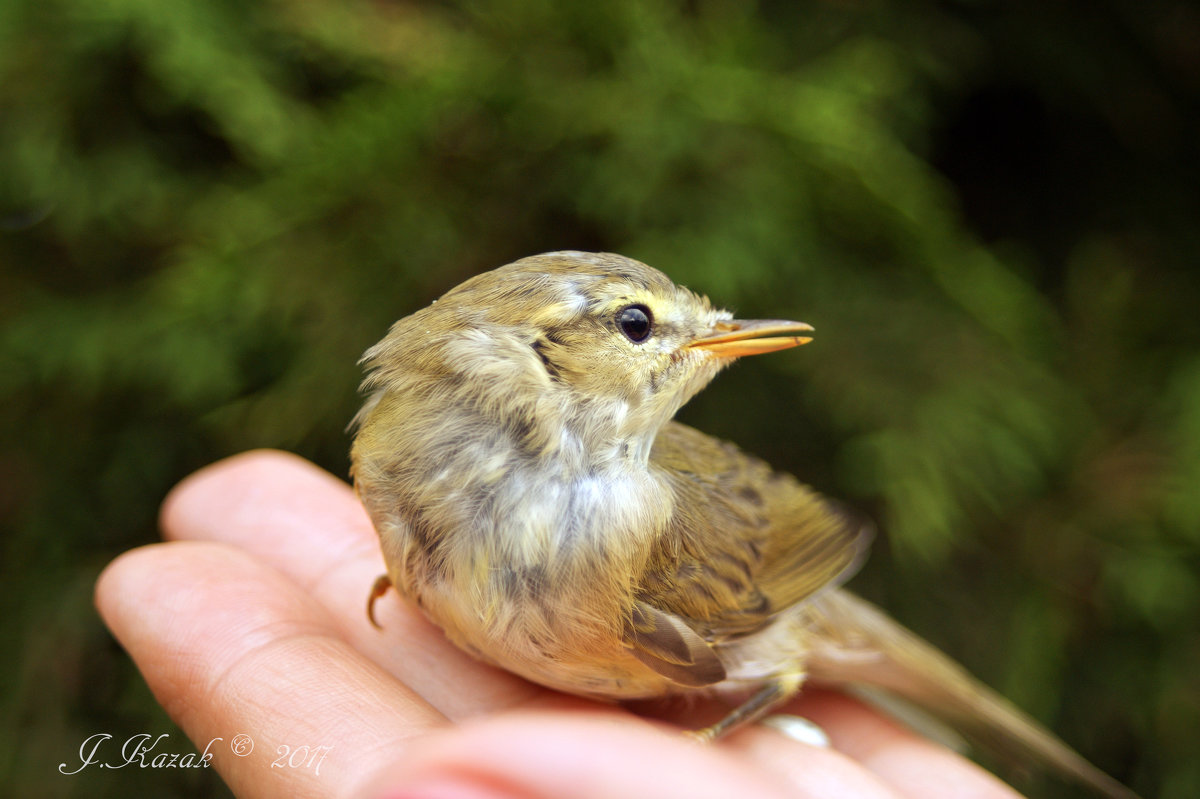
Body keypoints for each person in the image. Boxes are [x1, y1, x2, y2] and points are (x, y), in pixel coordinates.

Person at [96, 450, 1024, 799]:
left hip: (774, 608)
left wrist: (704, 753)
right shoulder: (409, 474)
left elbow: (798, 544)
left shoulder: (642, 538)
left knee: (773, 668)